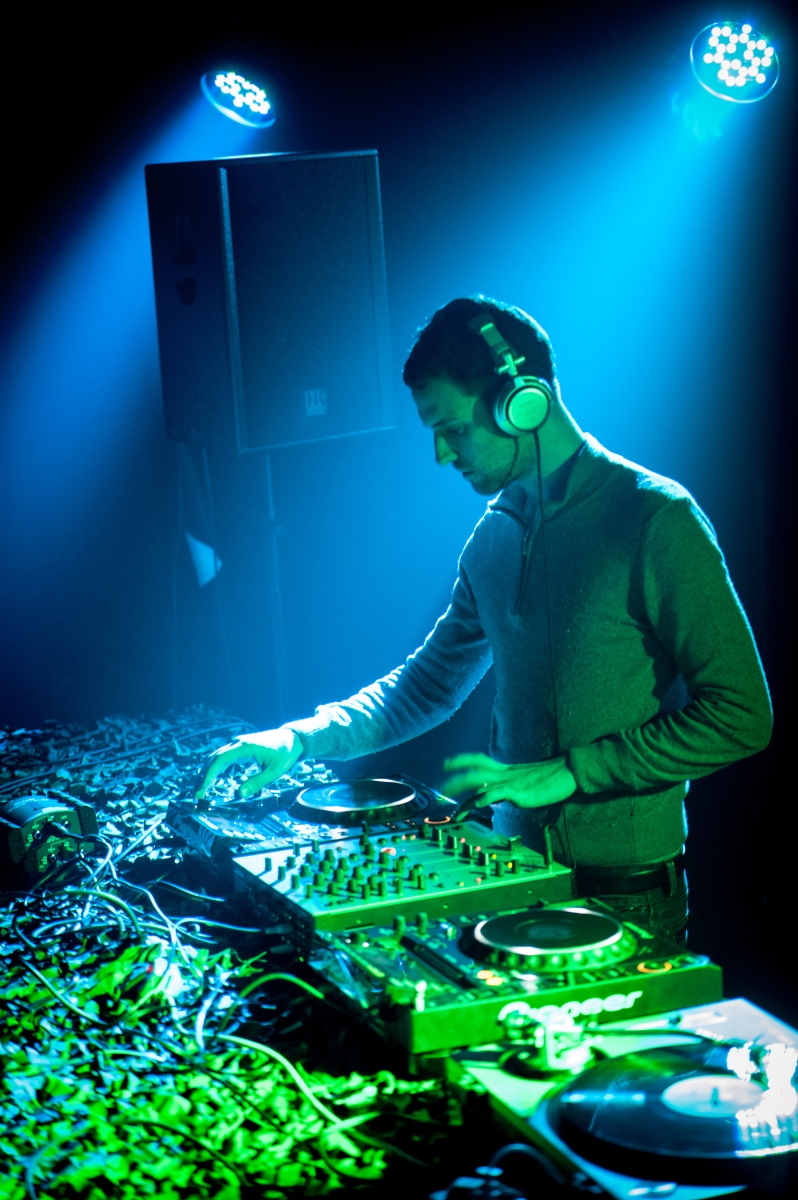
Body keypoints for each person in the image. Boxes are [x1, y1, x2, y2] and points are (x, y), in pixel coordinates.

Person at [197, 297, 772, 943]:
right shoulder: (494, 537)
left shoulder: (655, 521)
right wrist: (300, 738)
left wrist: (573, 770)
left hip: (623, 896)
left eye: (453, 429)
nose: (441, 455)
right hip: (511, 876)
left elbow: (741, 715)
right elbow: (426, 687)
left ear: (520, 402)